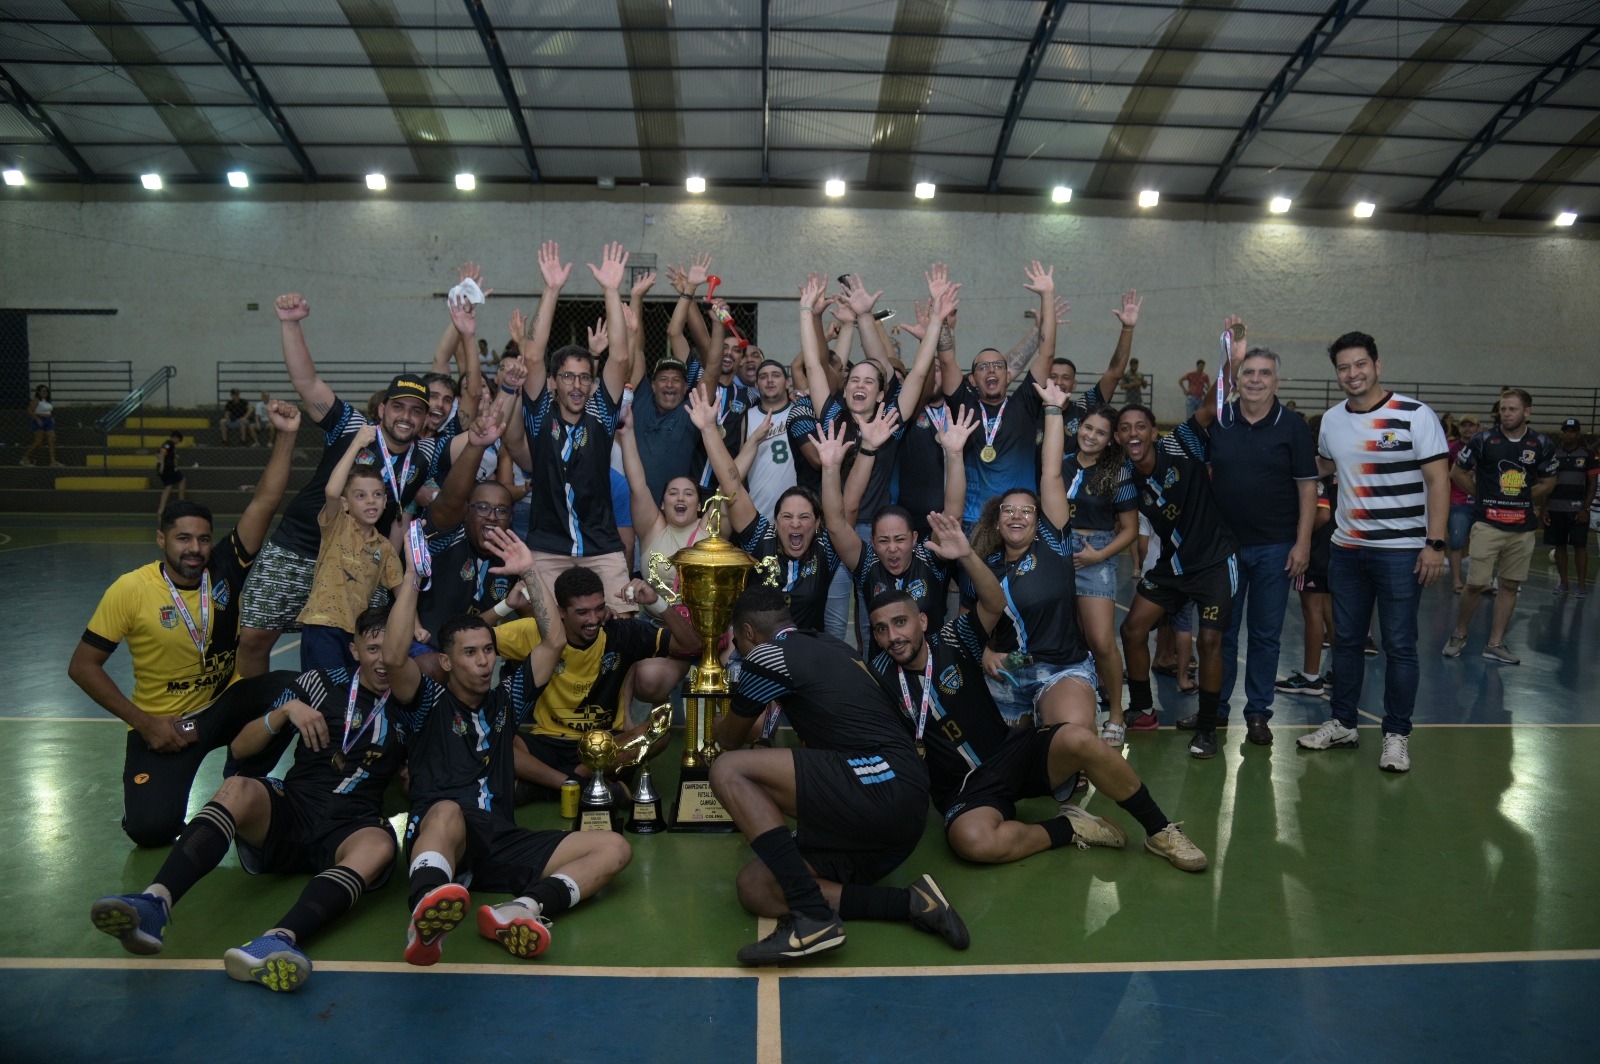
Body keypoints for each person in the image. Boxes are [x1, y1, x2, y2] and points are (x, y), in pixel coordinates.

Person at [865, 513, 1207, 871]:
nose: (893, 637)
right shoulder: (880, 678)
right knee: (972, 842)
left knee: (1079, 737)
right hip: (964, 792)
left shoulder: (951, 640)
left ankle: (1160, 830)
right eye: (881, 630)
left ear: (921, 621)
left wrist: (967, 555)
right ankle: (1069, 827)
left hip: (1010, 756)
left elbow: (994, 603)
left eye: (900, 622)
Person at [89, 607, 404, 992]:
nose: (383, 658)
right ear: (354, 650)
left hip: (352, 827)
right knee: (239, 786)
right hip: (294, 809)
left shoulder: (412, 704)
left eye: (390, 648)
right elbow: (240, 746)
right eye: (372, 647)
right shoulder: (320, 683)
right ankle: (154, 905)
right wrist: (284, 712)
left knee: (381, 844)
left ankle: (278, 940)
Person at [383, 537, 631, 964]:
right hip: (446, 840)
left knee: (613, 847)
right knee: (447, 810)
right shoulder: (427, 705)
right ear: (446, 662)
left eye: (488, 652)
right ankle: (426, 911)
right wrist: (410, 579)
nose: (483, 662)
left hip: (499, 841)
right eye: (469, 654)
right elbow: (392, 658)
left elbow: (553, 643)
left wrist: (530, 571)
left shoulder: (506, 701)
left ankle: (518, 910)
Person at [68, 402, 304, 846]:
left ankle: (244, 780)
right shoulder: (130, 590)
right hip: (166, 724)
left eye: (201, 538)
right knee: (151, 830)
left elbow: (265, 501)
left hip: (225, 703)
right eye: (182, 539)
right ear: (162, 540)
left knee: (299, 689)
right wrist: (144, 723)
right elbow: (83, 666)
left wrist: (287, 434)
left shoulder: (224, 565)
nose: (194, 548)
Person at [709, 585, 966, 966]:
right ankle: (913, 903)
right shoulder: (831, 645)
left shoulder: (767, 655)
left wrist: (712, 723)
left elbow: (730, 740)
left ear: (748, 633)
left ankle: (811, 919)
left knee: (727, 770)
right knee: (756, 887)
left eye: (739, 642)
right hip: (897, 809)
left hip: (881, 781)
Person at [237, 292, 470, 677]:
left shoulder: (426, 453)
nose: (406, 417)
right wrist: (290, 323)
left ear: (426, 418)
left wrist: (508, 395)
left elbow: (477, 437)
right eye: (398, 406)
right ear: (382, 409)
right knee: (255, 638)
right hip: (300, 546)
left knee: (361, 648)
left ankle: (345, 716)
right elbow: (307, 381)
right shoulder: (351, 428)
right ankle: (257, 716)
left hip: (360, 561)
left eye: (416, 411)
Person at [1301, 331, 1450, 773]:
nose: (1352, 374)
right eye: (1344, 368)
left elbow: (1438, 481)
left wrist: (1435, 544)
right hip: (1347, 550)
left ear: (1377, 365)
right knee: (1345, 642)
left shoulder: (1414, 415)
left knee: (1400, 645)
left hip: (1402, 551)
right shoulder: (1331, 421)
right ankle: (1344, 723)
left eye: (1360, 364)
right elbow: (1324, 467)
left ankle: (1396, 735)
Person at [1113, 320, 1239, 761]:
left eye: (1139, 426)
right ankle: (1143, 708)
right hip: (1172, 568)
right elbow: (1129, 529)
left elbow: (1210, 404)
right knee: (1131, 628)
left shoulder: (1182, 445)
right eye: (1124, 427)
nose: (1132, 433)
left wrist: (1231, 357)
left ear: (1152, 430)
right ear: (1118, 437)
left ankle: (1206, 728)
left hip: (1213, 562)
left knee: (1209, 641)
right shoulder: (1125, 478)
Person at [1192, 339, 1317, 746]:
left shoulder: (1293, 426)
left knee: (1265, 635)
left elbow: (1306, 488)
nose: (1256, 380)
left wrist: (1302, 544)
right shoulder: (1221, 420)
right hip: (1223, 550)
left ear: (1276, 380)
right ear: (1236, 379)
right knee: (1220, 633)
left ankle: (1258, 713)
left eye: (1264, 373)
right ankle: (1216, 709)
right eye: (1248, 372)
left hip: (1275, 548)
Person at [501, 241, 636, 609]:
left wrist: (611, 290)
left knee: (622, 625)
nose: (576, 385)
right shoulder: (539, 415)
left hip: (602, 548)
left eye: (583, 378)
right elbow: (531, 354)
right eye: (567, 377)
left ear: (592, 384)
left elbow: (620, 358)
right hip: (548, 548)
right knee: (547, 633)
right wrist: (551, 290)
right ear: (554, 382)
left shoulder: (602, 418)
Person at [492, 558, 700, 793]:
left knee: (659, 734)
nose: (594, 619)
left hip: (607, 743)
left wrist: (657, 603)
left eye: (599, 608)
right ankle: (578, 785)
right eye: (582, 612)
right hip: (547, 741)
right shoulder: (534, 631)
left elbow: (691, 644)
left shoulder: (622, 632)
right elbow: (463, 641)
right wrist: (505, 607)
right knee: (495, 738)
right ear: (561, 611)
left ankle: (551, 784)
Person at [693, 388, 843, 633]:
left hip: (807, 658)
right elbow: (732, 487)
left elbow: (842, 512)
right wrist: (709, 430)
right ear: (775, 521)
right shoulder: (762, 539)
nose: (795, 523)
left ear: (817, 525)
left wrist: (830, 467)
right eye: (787, 516)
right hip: (759, 655)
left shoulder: (826, 548)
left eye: (804, 517)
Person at [818, 404, 973, 634]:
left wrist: (955, 455)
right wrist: (830, 470)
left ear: (914, 538)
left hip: (931, 665)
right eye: (883, 540)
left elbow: (953, 514)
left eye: (900, 539)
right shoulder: (866, 564)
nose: (892, 548)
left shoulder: (929, 557)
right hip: (883, 668)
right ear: (871, 541)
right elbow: (835, 525)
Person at [939, 262, 1061, 530]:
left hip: (1021, 518)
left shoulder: (1025, 403)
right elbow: (947, 361)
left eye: (998, 365)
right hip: (974, 520)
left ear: (1008, 376)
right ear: (973, 379)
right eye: (983, 367)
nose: (991, 369)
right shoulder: (964, 405)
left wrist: (1047, 297)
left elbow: (1047, 354)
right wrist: (941, 318)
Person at [1048, 401, 1139, 744]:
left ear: (1110, 439)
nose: (1091, 436)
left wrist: (1097, 555)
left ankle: (1116, 715)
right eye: (1088, 428)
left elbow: (1129, 529)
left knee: (1101, 641)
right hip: (1057, 551)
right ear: (1078, 428)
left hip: (1094, 554)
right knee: (1068, 640)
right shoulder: (1060, 464)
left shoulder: (1118, 472)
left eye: (1101, 432)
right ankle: (1074, 707)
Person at [1443, 389, 1556, 664]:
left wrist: (1525, 497)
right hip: (1488, 524)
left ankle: (1495, 643)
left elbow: (1549, 480)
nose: (1506, 414)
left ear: (1527, 411)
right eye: (1503, 409)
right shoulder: (1483, 440)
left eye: (1512, 409)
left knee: (1509, 584)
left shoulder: (1541, 443)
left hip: (1523, 528)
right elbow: (1456, 472)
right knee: (1476, 583)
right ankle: (1459, 633)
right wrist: (1480, 495)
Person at [293, 424, 404, 674]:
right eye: (361, 496)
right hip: (323, 625)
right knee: (324, 691)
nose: (371, 500)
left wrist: (415, 626)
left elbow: (401, 590)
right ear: (345, 503)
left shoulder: (384, 547)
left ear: (385, 501)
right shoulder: (337, 525)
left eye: (377, 494)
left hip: (356, 634)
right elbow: (332, 490)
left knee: (349, 693)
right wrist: (356, 444)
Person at [1277, 455, 1338, 698]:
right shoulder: (1339, 468)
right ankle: (1340, 672)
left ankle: (1311, 677)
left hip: (1316, 551)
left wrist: (1298, 537)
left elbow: (1322, 514)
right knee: (1331, 613)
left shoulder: (1314, 471)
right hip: (1336, 547)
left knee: (1312, 611)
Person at [1547, 418, 1598, 595]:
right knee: (1559, 545)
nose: (1568, 434)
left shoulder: (1588, 454)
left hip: (1578, 509)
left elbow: (1592, 483)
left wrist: (1585, 508)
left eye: (1572, 431)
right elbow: (1546, 482)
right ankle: (1563, 582)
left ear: (1578, 433)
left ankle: (1582, 585)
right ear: (1561, 432)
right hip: (1555, 508)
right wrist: (1545, 508)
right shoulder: (1552, 453)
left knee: (1580, 547)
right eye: (1566, 430)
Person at [1446, 414, 1482, 593]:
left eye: (1471, 425)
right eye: (1463, 425)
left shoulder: (1486, 446)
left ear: (1478, 427)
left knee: (1484, 543)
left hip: (1481, 502)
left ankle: (1483, 581)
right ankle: (1456, 581)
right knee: (1457, 541)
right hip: (1458, 502)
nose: (1467, 429)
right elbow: (1443, 474)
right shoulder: (1451, 447)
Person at [22, 384, 63, 466]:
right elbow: (29, 410)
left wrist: (51, 417)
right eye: (43, 391)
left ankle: (53, 461)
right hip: (39, 420)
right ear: (38, 392)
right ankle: (25, 458)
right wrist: (37, 418)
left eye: (46, 391)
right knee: (38, 442)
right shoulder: (36, 400)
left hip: (48, 421)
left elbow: (47, 411)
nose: (45, 392)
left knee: (52, 439)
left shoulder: (47, 401)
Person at [155, 431, 185, 518]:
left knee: (168, 486)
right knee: (182, 480)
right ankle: (181, 503)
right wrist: (162, 464)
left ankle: (161, 509)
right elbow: (162, 451)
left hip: (167, 468)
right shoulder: (169, 443)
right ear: (176, 438)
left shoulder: (168, 444)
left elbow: (158, 453)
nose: (178, 442)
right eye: (178, 440)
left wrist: (174, 455)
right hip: (168, 468)